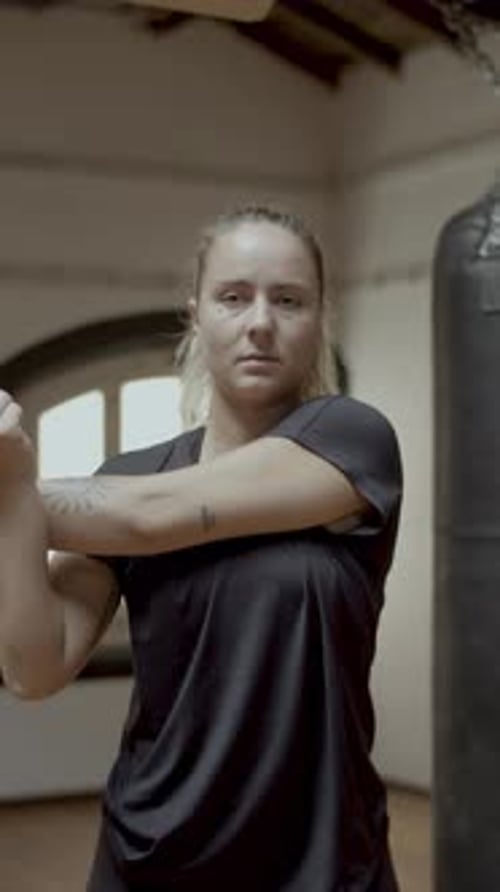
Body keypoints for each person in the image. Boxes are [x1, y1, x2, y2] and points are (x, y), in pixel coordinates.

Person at [0, 205, 403, 891]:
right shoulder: (129, 475)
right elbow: (35, 670)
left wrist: (17, 488)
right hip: (151, 855)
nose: (260, 322)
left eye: (288, 300)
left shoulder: (352, 441)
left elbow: (154, 518)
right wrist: (7, 496)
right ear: (196, 314)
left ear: (319, 319)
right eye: (233, 297)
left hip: (320, 857)